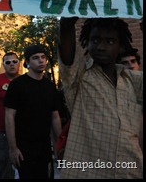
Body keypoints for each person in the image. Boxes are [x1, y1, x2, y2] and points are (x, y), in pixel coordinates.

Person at [57, 17, 143, 178]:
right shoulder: (79, 77)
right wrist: (66, 24)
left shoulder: (133, 80)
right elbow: (67, 48)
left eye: (110, 42)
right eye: (95, 40)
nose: (101, 47)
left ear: (121, 46)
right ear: (87, 43)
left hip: (130, 171)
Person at [4, 44, 62, 179]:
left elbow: (55, 117)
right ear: (27, 62)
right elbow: (9, 116)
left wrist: (59, 146)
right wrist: (13, 148)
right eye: (35, 58)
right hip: (23, 148)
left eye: (43, 57)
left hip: (44, 148)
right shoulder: (17, 85)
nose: (41, 61)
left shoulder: (50, 86)